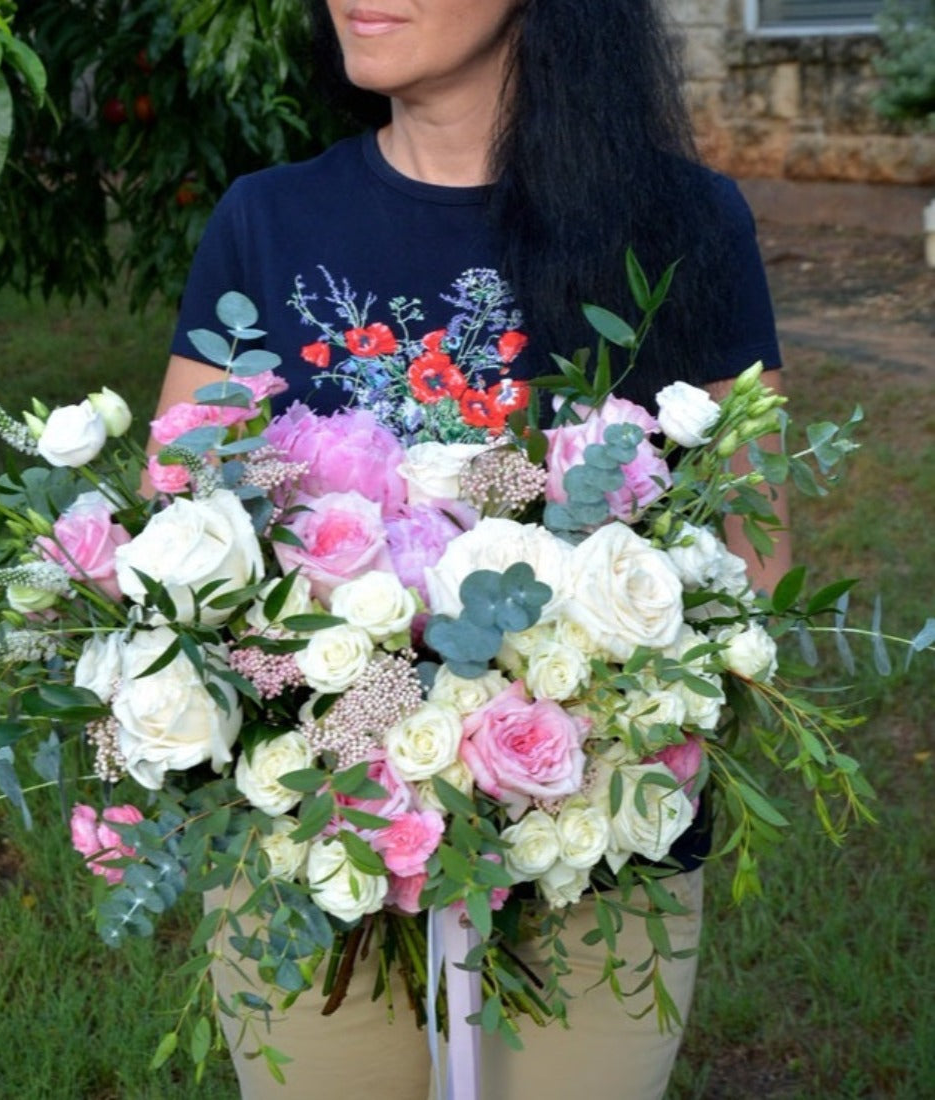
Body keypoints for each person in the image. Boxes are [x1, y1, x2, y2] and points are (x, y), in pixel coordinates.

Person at [151, 1, 791, 1096]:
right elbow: (178, 530)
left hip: (594, 852)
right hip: (321, 857)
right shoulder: (266, 218)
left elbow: (752, 548)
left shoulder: (679, 222)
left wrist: (562, 717)